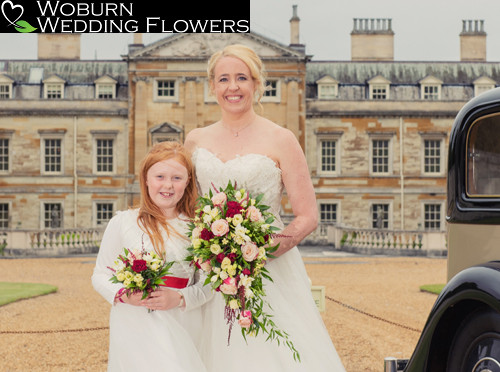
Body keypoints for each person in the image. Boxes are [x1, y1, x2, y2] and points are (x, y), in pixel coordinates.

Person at [184, 44, 346, 371]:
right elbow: (185, 208)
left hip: (270, 269)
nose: (233, 87)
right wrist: (213, 253)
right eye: (224, 79)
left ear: (257, 84)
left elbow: (307, 216)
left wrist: (256, 255)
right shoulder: (195, 140)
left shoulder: (282, 139)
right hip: (209, 271)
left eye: (242, 78)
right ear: (212, 86)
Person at [92, 141, 212, 372]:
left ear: (187, 182)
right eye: (160, 176)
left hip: (181, 319)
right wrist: (123, 294)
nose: (168, 185)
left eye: (177, 178)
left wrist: (179, 298)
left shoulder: (197, 228)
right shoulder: (123, 223)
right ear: (146, 178)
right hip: (133, 321)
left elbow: (209, 285)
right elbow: (100, 274)